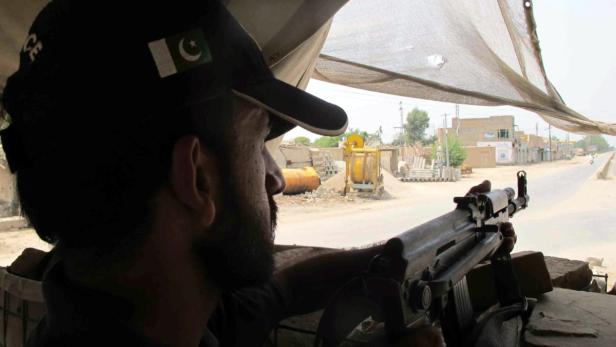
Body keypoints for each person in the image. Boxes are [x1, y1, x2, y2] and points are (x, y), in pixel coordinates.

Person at [0, 0, 516, 346]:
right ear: (198, 178)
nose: (273, 176)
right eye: (258, 142)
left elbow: (280, 293)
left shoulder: (152, 305)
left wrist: (393, 261)